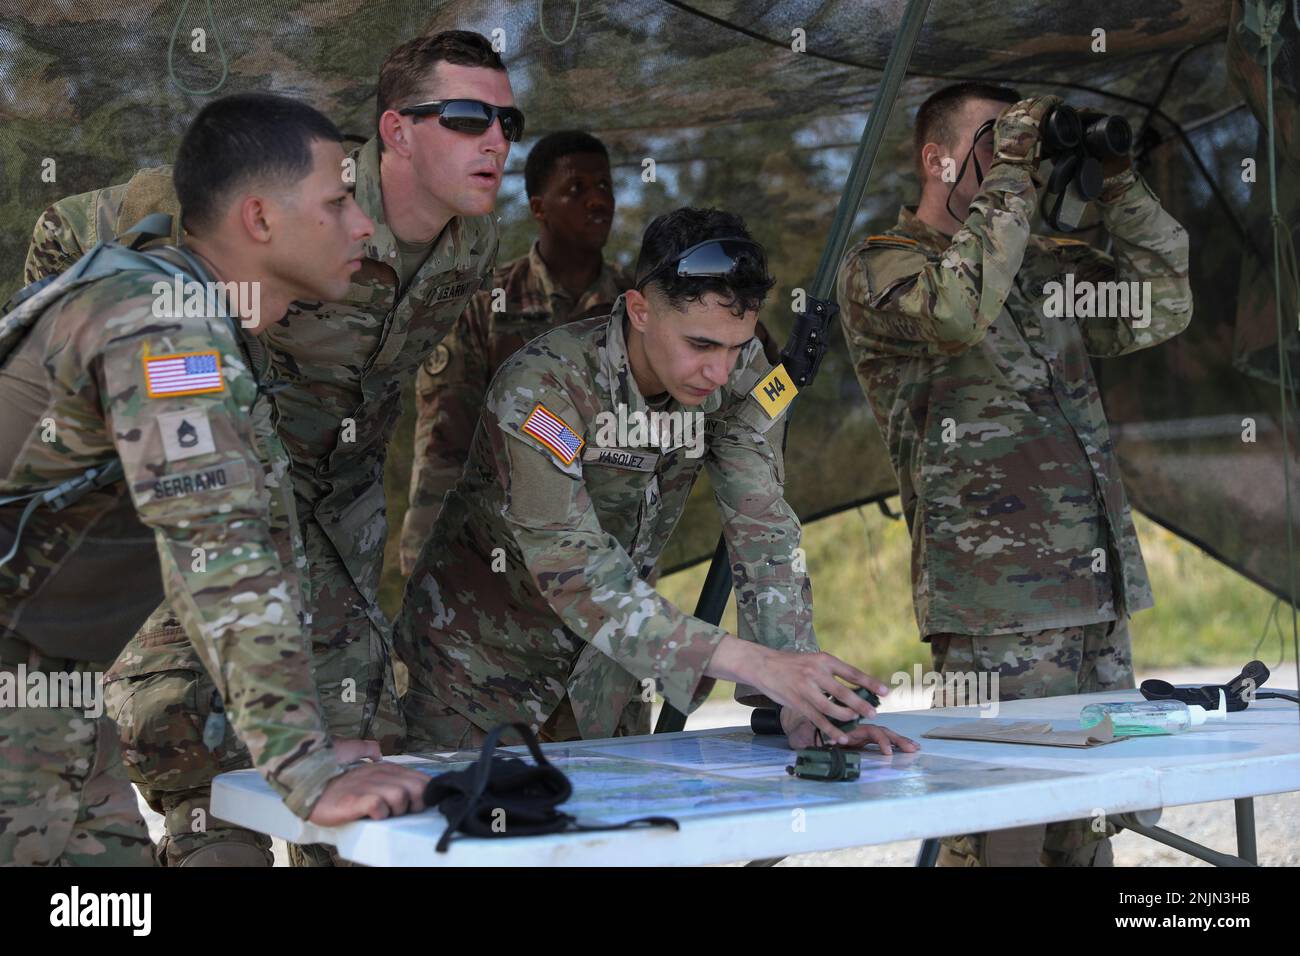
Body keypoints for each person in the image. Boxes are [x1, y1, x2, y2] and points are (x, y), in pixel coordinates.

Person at [23, 29, 512, 865]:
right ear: (395, 131)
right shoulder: (185, 306)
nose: (498, 141)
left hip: (325, 516)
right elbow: (213, 545)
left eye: (509, 121)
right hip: (198, 512)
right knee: (198, 768)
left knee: (366, 781)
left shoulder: (474, 247)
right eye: (470, 118)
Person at [397, 206, 918, 755]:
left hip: (606, 682)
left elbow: (761, 523)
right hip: (473, 676)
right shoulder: (545, 387)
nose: (720, 371)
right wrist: (751, 661)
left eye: (736, 346)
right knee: (467, 834)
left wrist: (800, 700)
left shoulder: (739, 377)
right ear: (641, 311)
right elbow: (571, 565)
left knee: (619, 836)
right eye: (700, 345)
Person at [836, 83, 1193, 866]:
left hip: (1094, 586)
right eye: (993, 141)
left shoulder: (1035, 264)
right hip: (996, 600)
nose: (1015, 161)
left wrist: (1120, 178)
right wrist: (1010, 179)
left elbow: (1162, 302)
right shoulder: (884, 268)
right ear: (938, 160)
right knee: (1001, 828)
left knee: (1089, 825)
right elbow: (959, 313)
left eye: (1018, 144)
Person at [398, 129, 632, 574]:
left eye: (604, 186)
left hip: (613, 558)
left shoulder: (639, 305)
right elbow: (444, 451)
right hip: (504, 559)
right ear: (539, 208)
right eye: (576, 189)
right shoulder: (486, 307)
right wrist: (425, 565)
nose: (598, 201)